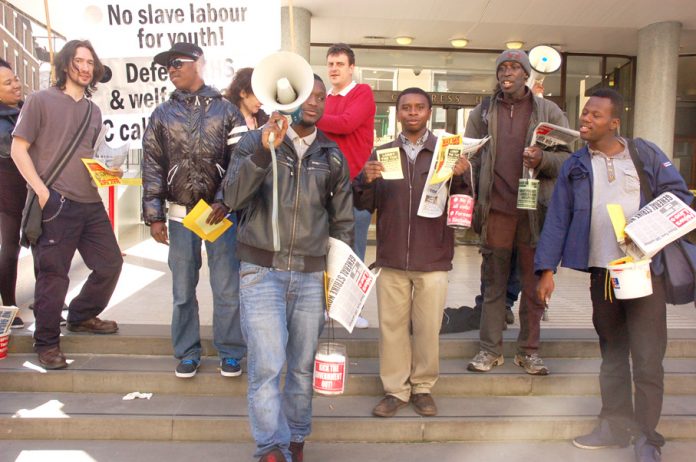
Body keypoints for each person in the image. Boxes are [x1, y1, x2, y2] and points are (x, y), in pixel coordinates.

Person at [536, 88, 689, 462]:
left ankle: (647, 436)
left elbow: (679, 197)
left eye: (595, 115)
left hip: (645, 273)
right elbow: (557, 219)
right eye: (585, 113)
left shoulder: (644, 153)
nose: (585, 120)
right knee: (614, 356)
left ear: (614, 122)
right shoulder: (575, 165)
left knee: (649, 359)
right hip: (603, 276)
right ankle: (614, 425)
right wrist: (545, 270)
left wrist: (645, 228)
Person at [223, 75, 353, 462]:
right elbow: (232, 197)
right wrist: (264, 153)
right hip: (261, 271)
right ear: (289, 97)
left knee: (300, 367)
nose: (315, 102)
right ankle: (270, 448)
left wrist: (338, 280)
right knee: (267, 366)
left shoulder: (332, 154)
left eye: (322, 97)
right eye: (308, 95)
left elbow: (342, 223)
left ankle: (296, 440)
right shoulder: (253, 141)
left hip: (312, 275)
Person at [354, 87, 469, 418]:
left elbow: (463, 206)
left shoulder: (448, 153)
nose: (413, 112)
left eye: (420, 107)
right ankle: (395, 390)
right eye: (407, 108)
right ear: (398, 114)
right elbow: (364, 204)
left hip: (432, 258)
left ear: (429, 113)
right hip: (391, 258)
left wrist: (461, 179)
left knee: (427, 328)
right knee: (391, 328)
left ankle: (422, 387)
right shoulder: (383, 153)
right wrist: (366, 180)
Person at [11, 40, 122, 369]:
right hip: (56, 202)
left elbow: (89, 156)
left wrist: (107, 171)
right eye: (79, 61)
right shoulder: (40, 101)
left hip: (90, 203)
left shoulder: (93, 110)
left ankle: (82, 315)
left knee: (110, 263)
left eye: (91, 62)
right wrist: (42, 192)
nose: (86, 68)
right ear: (64, 65)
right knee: (54, 276)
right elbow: (19, 149)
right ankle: (46, 342)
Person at [462, 49, 570, 375]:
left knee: (534, 285)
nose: (507, 73)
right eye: (502, 68)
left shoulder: (548, 111)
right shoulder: (482, 112)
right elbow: (473, 159)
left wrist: (543, 160)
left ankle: (529, 352)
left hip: (534, 212)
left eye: (514, 68)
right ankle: (489, 350)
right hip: (495, 210)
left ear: (526, 74)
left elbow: (568, 159)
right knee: (492, 284)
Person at [142, 42, 246, 379]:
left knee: (227, 287)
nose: (171, 69)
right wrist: (154, 215)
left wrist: (224, 199)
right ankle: (187, 352)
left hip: (219, 214)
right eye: (167, 66)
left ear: (199, 63)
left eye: (177, 63)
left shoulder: (227, 111)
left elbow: (239, 164)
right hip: (180, 215)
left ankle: (230, 352)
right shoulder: (161, 114)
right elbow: (152, 165)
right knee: (182, 289)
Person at [316, 43, 375, 329]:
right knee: (325, 249)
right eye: (330, 64)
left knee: (353, 251)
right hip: (322, 187)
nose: (334, 69)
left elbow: (347, 123)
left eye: (340, 64)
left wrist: (313, 117)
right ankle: (327, 306)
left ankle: (351, 309)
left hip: (354, 187)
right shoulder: (322, 98)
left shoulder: (362, 93)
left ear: (352, 67)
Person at [0, 59, 25, 328]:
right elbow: (12, 149)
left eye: (15, 79)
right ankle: (8, 305)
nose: (16, 85)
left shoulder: (25, 109)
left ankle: (49, 299)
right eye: (8, 83)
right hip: (8, 192)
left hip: (34, 188)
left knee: (45, 245)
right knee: (10, 247)